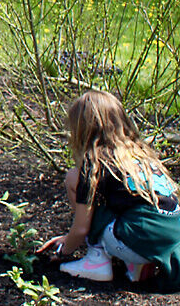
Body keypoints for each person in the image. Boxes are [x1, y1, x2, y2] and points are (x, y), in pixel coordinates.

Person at [38, 90, 180, 288]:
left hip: (139, 239)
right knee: (133, 207)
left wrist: (63, 251)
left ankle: (97, 260)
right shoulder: (141, 154)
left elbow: (81, 228)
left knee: (73, 178)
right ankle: (137, 263)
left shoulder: (94, 163)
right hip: (171, 239)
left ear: (81, 129)